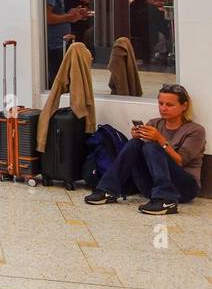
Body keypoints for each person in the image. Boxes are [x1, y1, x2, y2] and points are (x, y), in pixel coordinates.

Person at [86, 84, 205, 214]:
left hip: (184, 187)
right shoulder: (154, 123)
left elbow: (180, 161)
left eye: (169, 105)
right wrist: (137, 136)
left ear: (184, 106)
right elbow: (144, 153)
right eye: (161, 103)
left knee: (152, 146)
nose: (163, 108)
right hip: (152, 187)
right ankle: (107, 191)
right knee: (135, 143)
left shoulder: (195, 130)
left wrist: (160, 140)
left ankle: (167, 201)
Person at [45, 0, 89, 83]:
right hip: (54, 46)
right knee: (59, 83)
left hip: (59, 44)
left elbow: (54, 14)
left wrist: (70, 15)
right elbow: (47, 18)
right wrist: (69, 17)